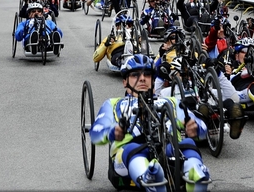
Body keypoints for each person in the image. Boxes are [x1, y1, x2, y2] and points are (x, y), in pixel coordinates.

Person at [90, 54, 211, 192]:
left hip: (169, 151)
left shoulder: (170, 102)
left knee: (188, 145)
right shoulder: (113, 104)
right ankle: (151, 178)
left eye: (147, 75)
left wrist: (195, 129)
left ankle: (196, 176)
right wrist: (113, 132)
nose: (142, 78)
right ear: (125, 81)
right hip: (128, 156)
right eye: (135, 75)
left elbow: (202, 128)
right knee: (133, 150)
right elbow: (95, 134)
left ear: (153, 80)